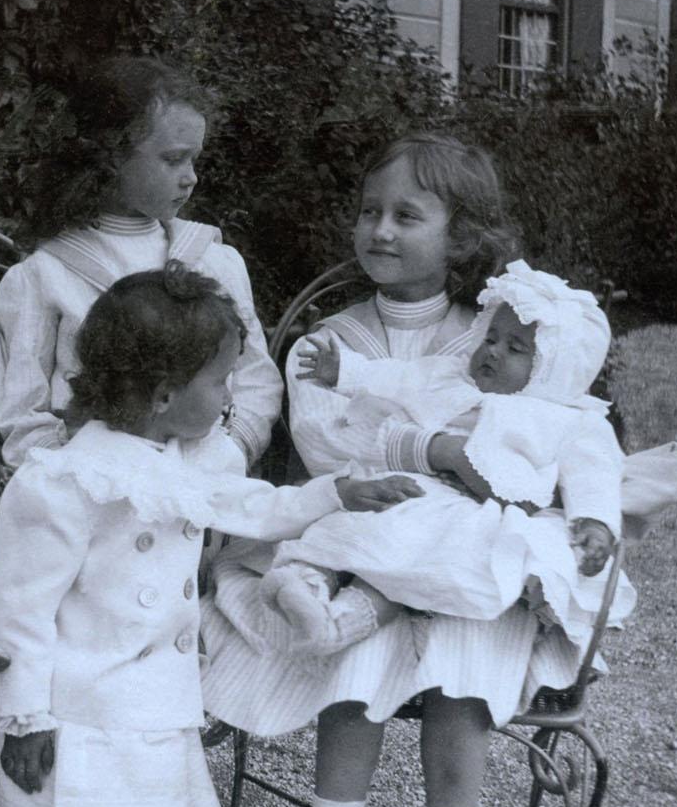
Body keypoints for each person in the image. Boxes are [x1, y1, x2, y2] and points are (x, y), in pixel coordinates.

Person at [0, 264, 418, 807]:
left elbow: (253, 508)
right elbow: (21, 613)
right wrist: (26, 717)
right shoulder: (64, 483)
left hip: (159, 706)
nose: (230, 396)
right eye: (219, 379)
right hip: (90, 715)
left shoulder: (178, 459)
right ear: (157, 394)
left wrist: (341, 490)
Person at [202, 134, 600, 807]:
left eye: (407, 216)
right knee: (354, 675)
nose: (379, 230)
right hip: (372, 536)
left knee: (458, 669)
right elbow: (326, 445)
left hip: (466, 555)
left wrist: (494, 475)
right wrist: (442, 449)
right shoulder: (327, 341)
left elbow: (549, 441)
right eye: (369, 211)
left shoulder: (499, 337)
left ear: (462, 238)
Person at [265, 260, 636, 653]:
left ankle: (339, 624)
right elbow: (399, 377)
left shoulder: (571, 421)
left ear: (552, 369)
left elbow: (594, 475)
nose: (493, 350)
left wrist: (595, 523)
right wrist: (346, 372)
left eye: (515, 348)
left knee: (425, 562)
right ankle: (306, 582)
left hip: (483, 516)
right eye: (491, 336)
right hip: (421, 489)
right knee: (360, 529)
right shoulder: (451, 374)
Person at [0, 54, 281, 473]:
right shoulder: (46, 274)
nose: (191, 177)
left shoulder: (214, 261)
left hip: (201, 485)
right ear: (108, 157)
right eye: (173, 159)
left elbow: (256, 377)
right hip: (90, 488)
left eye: (194, 159)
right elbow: (24, 411)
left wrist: (230, 451)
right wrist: (72, 475)